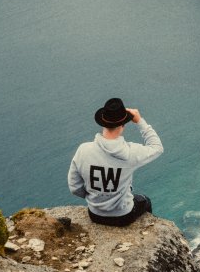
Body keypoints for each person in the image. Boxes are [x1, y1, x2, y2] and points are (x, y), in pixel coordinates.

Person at [68, 97, 163, 226]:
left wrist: (97, 199)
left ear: (103, 123)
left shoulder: (83, 150)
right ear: (123, 125)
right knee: (145, 200)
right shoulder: (131, 152)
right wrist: (140, 121)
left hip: (95, 215)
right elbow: (157, 147)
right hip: (124, 217)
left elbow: (74, 187)